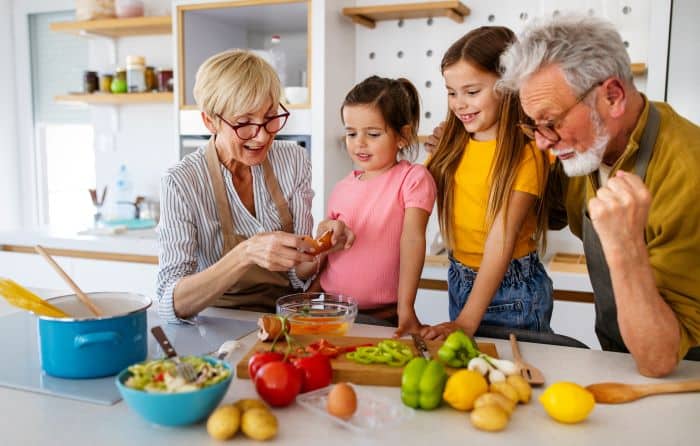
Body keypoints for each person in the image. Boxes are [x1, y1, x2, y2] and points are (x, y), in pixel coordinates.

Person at [497, 14, 700, 376]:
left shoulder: (688, 173)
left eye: (552, 122)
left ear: (613, 96)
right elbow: (543, 211)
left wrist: (625, 243)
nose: (543, 142)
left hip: (683, 371)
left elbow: (661, 358)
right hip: (620, 357)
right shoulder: (586, 150)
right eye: (534, 125)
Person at [156, 49, 349, 323]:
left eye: (270, 118)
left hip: (285, 317)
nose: (260, 136)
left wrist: (321, 247)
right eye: (244, 123)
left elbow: (298, 272)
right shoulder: (181, 182)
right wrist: (245, 253)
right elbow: (170, 303)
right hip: (215, 321)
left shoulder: (293, 159)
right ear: (210, 121)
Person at [419, 27, 553, 341]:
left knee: (516, 376)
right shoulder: (450, 145)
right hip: (459, 278)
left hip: (514, 288)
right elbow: (409, 196)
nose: (459, 103)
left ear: (508, 86)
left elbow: (502, 236)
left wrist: (467, 320)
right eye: (452, 92)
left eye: (471, 91)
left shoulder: (527, 152)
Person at [314, 76, 437, 336]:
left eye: (372, 134)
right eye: (351, 133)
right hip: (331, 310)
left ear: (402, 137)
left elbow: (413, 240)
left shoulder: (412, 179)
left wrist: (406, 307)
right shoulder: (341, 188)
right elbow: (330, 255)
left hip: (384, 316)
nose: (359, 142)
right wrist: (308, 294)